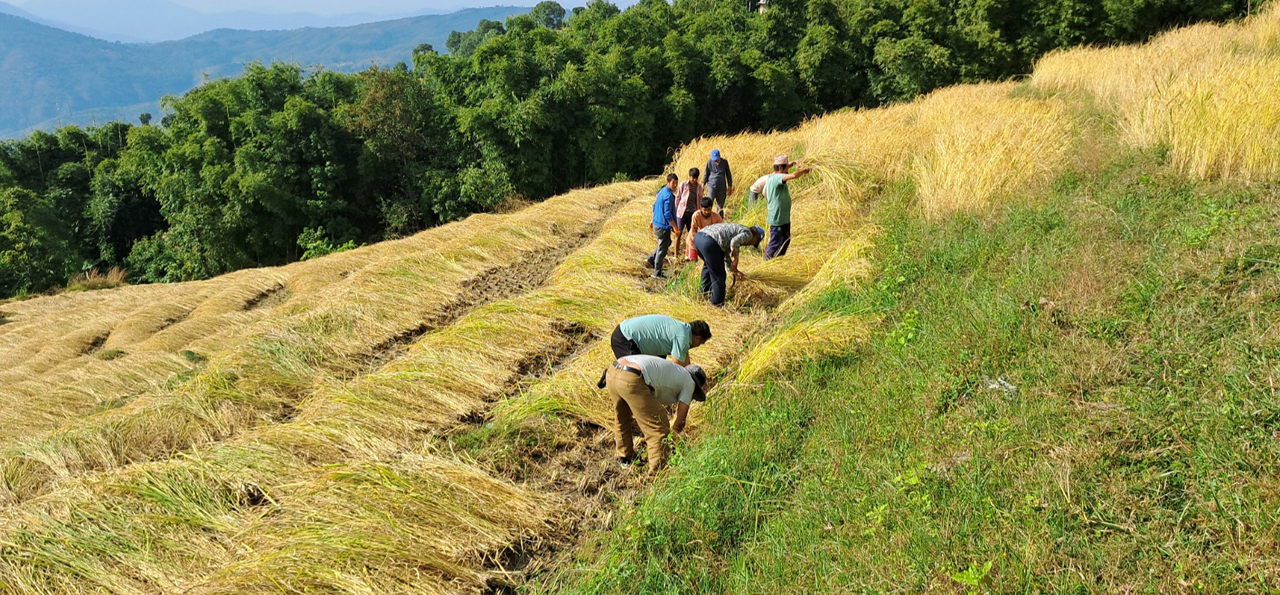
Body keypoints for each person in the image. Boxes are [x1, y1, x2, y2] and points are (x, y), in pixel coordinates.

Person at [605, 354, 708, 475]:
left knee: (622, 417)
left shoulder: (674, 371)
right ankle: (658, 473)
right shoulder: (690, 382)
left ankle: (624, 458)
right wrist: (672, 442)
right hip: (632, 377)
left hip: (613, 371)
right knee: (658, 427)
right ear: (697, 385)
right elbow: (680, 422)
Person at [597, 314, 712, 388]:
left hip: (630, 336)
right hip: (625, 338)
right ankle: (610, 374)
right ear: (697, 337)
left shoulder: (684, 331)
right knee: (634, 375)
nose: (698, 346)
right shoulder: (682, 337)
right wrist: (689, 387)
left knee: (657, 365)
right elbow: (677, 368)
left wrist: (698, 381)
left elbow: (686, 364)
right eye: (701, 343)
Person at [692, 222, 764, 306]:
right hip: (710, 242)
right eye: (755, 242)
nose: (751, 245)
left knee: (709, 266)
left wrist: (734, 270)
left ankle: (703, 294)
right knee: (719, 276)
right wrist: (736, 259)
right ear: (756, 237)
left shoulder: (737, 230)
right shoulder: (748, 234)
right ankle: (717, 304)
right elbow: (734, 242)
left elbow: (724, 254)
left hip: (698, 238)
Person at [764, 154, 812, 260]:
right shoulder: (776, 178)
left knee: (786, 240)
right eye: (786, 167)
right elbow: (794, 176)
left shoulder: (774, 175)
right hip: (778, 218)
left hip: (783, 218)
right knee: (775, 242)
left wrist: (792, 163)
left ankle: (778, 260)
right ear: (780, 168)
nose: (788, 170)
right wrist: (805, 170)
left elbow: (785, 170)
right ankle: (767, 262)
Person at [646, 173, 680, 278]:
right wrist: (675, 227)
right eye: (673, 183)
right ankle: (657, 272)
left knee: (666, 242)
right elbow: (667, 214)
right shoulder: (669, 196)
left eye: (676, 183)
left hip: (657, 223)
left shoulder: (662, 191)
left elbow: (655, 206)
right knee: (662, 249)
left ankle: (651, 258)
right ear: (667, 183)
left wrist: (653, 220)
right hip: (662, 227)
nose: (675, 186)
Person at [674, 168, 702, 258]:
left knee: (691, 234)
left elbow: (700, 200)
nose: (694, 180)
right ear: (689, 176)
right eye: (692, 177)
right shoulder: (683, 184)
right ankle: (676, 255)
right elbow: (678, 197)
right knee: (678, 233)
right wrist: (676, 209)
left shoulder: (699, 187)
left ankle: (689, 254)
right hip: (682, 212)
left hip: (692, 213)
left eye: (695, 178)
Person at [703, 149, 734, 216]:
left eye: (717, 159)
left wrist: (730, 186)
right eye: (714, 159)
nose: (715, 161)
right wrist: (703, 184)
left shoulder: (724, 162)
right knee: (709, 204)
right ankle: (708, 220)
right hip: (711, 186)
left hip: (721, 188)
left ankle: (719, 221)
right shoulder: (709, 162)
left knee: (720, 207)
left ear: (719, 156)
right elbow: (706, 174)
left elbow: (728, 174)